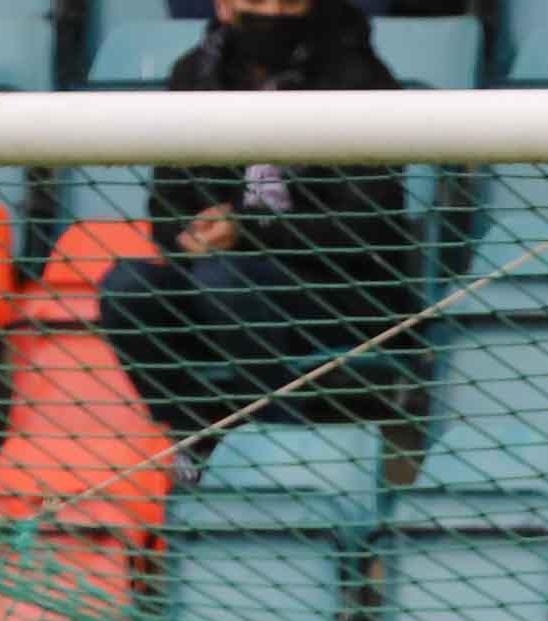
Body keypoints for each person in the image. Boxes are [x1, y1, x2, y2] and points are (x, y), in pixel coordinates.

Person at [97, 0, 419, 466]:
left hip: (341, 290)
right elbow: (167, 206)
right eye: (259, 2)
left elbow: (367, 225)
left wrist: (249, 232)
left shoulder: (357, 77)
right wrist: (191, 234)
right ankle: (198, 437)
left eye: (288, 3)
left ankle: (277, 448)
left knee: (226, 279)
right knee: (127, 288)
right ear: (225, 6)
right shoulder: (194, 76)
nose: (273, 13)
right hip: (218, 282)